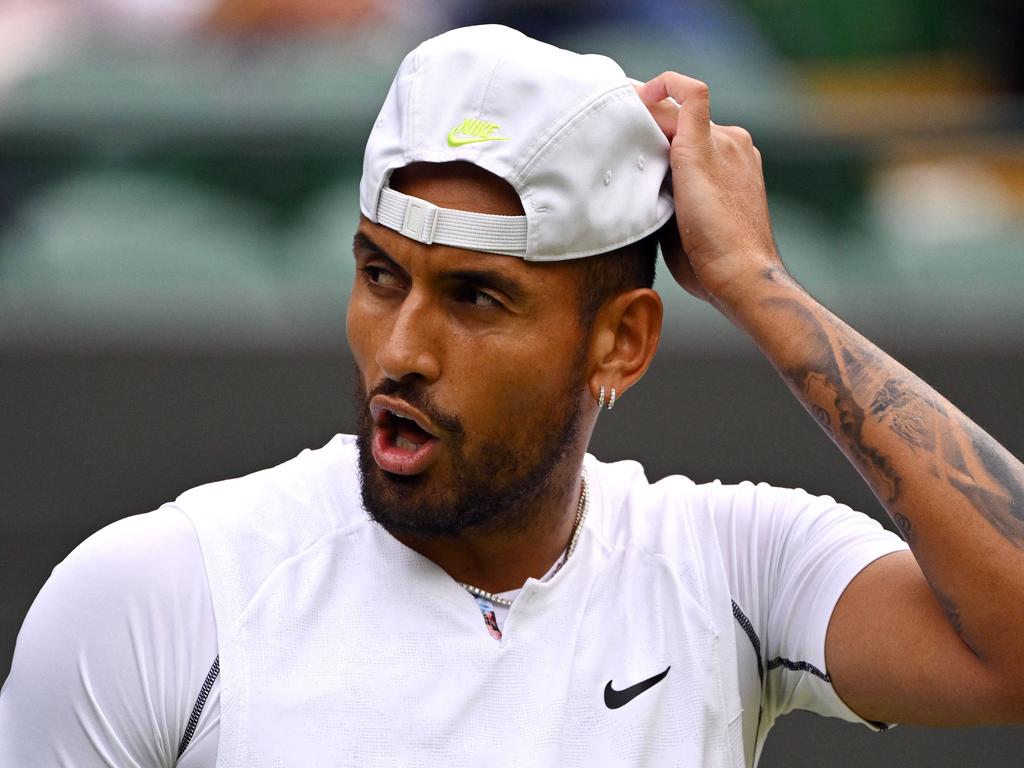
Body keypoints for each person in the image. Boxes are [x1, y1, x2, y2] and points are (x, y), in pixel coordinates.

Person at [2, 24, 1023, 767]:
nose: (402, 350)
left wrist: (758, 288)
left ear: (620, 344)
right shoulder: (152, 597)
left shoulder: (729, 566)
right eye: (379, 276)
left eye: (476, 297)